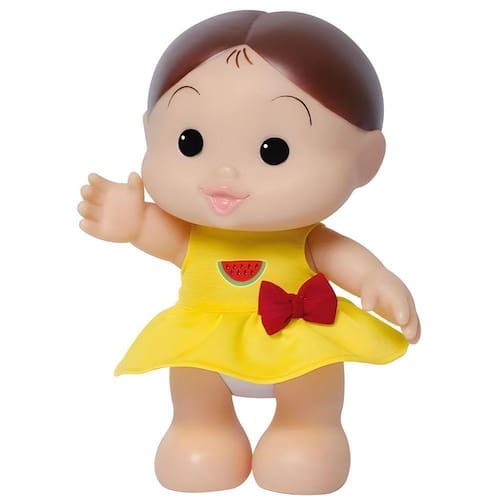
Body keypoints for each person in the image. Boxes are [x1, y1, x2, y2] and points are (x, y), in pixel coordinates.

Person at [78, 10, 420, 495]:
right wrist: (131, 221)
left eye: (273, 150)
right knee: (194, 387)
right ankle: (202, 429)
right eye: (190, 142)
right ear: (150, 132)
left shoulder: (309, 241)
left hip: (298, 343)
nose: (225, 174)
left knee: (311, 391)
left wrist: (377, 280)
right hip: (204, 343)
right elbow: (156, 233)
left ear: (365, 161)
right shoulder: (191, 235)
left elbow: (353, 263)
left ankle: (307, 432)